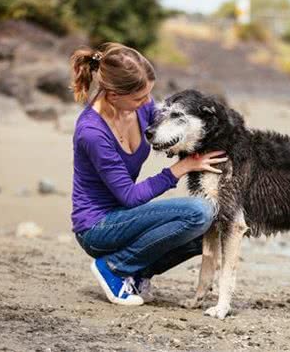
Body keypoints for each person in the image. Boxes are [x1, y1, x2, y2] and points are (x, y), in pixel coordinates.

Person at [70, 43, 226, 306]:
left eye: (148, 95)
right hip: (97, 228)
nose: (147, 103)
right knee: (198, 212)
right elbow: (130, 197)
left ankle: (138, 271)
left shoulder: (140, 108)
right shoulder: (92, 132)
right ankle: (115, 267)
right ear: (113, 94)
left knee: (217, 223)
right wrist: (180, 169)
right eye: (139, 98)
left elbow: (174, 133)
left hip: (128, 219)